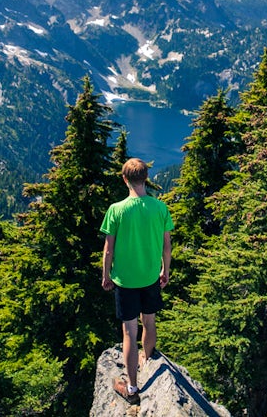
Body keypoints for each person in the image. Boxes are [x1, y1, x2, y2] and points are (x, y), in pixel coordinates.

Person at [101, 158, 173, 404]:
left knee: (129, 332)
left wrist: (106, 275)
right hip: (150, 277)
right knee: (149, 321)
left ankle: (132, 388)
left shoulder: (116, 209)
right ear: (145, 179)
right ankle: (147, 356)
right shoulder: (160, 208)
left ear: (124, 179)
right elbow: (167, 246)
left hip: (126, 280)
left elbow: (108, 250)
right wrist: (165, 270)